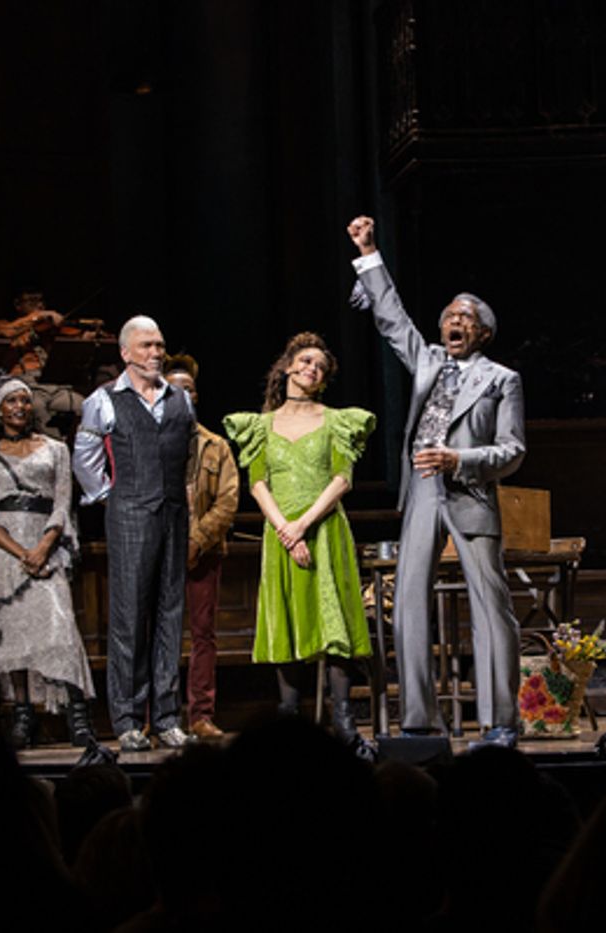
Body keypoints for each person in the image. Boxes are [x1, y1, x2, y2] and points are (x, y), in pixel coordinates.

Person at [347, 215, 525, 748]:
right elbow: (392, 318)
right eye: (449, 315)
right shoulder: (426, 360)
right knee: (408, 604)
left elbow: (514, 450)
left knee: (490, 607)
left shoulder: (501, 379)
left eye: (465, 317)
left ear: (483, 332)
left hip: (469, 492)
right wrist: (369, 251)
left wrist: (460, 459)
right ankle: (419, 721)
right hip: (422, 492)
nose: (453, 321)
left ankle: (500, 722)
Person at [223, 333, 376, 753]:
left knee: (336, 624)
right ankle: (288, 728)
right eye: (306, 361)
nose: (313, 368)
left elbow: (342, 478)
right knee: (288, 623)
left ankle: (345, 727)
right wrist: (286, 531)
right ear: (289, 365)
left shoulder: (337, 420)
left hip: (325, 530)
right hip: (281, 534)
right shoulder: (261, 426)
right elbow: (256, 483)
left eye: (320, 367)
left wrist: (304, 524)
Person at [73, 315, 195, 752]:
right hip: (128, 513)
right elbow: (85, 455)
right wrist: (111, 495)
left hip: (173, 515)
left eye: (160, 345)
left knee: (170, 614)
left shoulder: (180, 399)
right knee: (129, 617)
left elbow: (190, 455)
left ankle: (166, 716)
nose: (156, 353)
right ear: (125, 352)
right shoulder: (103, 400)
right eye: (146, 346)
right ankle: (126, 718)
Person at [0, 372, 96, 749]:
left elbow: (62, 503)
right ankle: (23, 717)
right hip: (9, 554)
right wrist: (21, 552)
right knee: (15, 638)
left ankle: (79, 715)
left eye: (25, 400)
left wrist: (43, 546)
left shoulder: (56, 449)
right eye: (11, 401)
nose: (20, 406)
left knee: (61, 631)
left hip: (47, 547)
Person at [163, 353, 239, 739]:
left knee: (203, 633)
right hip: (159, 552)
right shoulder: (151, 442)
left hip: (203, 552)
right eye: (175, 389)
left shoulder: (216, 446)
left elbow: (227, 501)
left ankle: (201, 716)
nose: (183, 395)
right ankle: (156, 715)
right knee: (157, 634)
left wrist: (196, 540)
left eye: (189, 389)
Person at [0, 287, 87, 438]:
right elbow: (6, 332)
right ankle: (57, 450)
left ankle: (74, 447)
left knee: (83, 406)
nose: (40, 305)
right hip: (25, 385)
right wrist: (38, 316)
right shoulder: (3, 324)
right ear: (18, 305)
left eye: (41, 301)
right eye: (32, 301)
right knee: (36, 409)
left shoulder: (49, 328)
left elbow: (75, 336)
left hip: (52, 383)